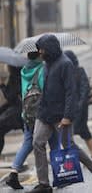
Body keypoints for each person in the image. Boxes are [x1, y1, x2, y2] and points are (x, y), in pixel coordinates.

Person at [28, 34, 92, 193]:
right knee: (37, 142)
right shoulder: (46, 64)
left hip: (61, 115)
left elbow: (71, 93)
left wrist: (67, 116)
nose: (40, 52)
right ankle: (44, 184)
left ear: (49, 49)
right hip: (45, 113)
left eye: (42, 49)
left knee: (69, 146)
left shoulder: (65, 64)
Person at [6, 52, 57, 190]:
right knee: (54, 142)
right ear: (39, 56)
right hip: (43, 115)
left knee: (27, 142)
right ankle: (60, 175)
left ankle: (13, 172)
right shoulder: (42, 69)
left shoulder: (24, 71)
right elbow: (46, 91)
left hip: (27, 114)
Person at [64, 50, 92, 163]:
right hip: (71, 108)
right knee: (71, 133)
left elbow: (84, 89)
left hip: (80, 108)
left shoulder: (80, 71)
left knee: (82, 131)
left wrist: (80, 105)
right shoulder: (66, 73)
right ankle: (82, 157)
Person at [0, 65, 23, 157]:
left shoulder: (15, 78)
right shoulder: (19, 75)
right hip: (19, 109)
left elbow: (11, 97)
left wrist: (2, 85)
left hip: (18, 111)